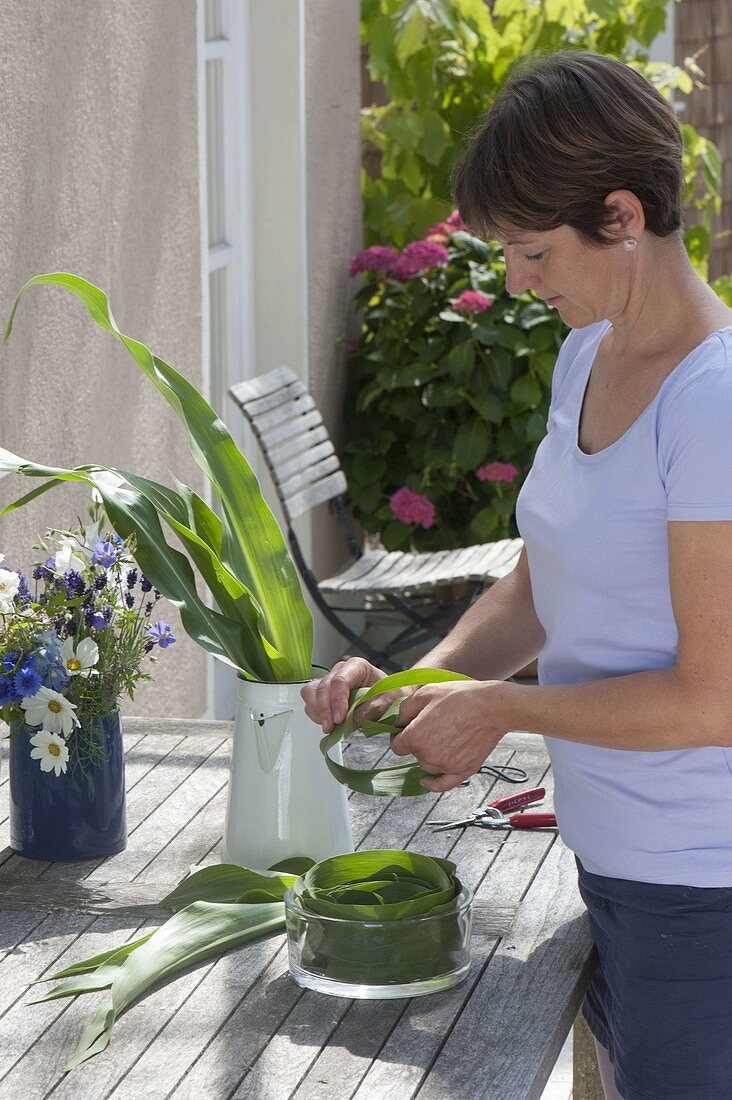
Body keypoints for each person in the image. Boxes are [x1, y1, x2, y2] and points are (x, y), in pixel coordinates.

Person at [303, 49, 732, 1100]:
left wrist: (499, 710)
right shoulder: (588, 355)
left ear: (623, 217)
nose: (516, 278)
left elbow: (713, 698)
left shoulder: (713, 402)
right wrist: (420, 682)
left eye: (533, 250)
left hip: (704, 894)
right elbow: (548, 582)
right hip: (614, 862)